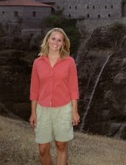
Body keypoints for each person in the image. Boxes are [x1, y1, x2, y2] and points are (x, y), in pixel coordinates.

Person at [29, 27, 80, 165]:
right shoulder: (38, 63)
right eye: (53, 39)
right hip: (43, 109)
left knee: (61, 146)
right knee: (42, 149)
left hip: (63, 109)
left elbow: (73, 88)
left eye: (59, 40)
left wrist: (74, 111)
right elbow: (34, 90)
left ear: (63, 43)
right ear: (47, 40)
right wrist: (33, 113)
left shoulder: (69, 62)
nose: (56, 43)